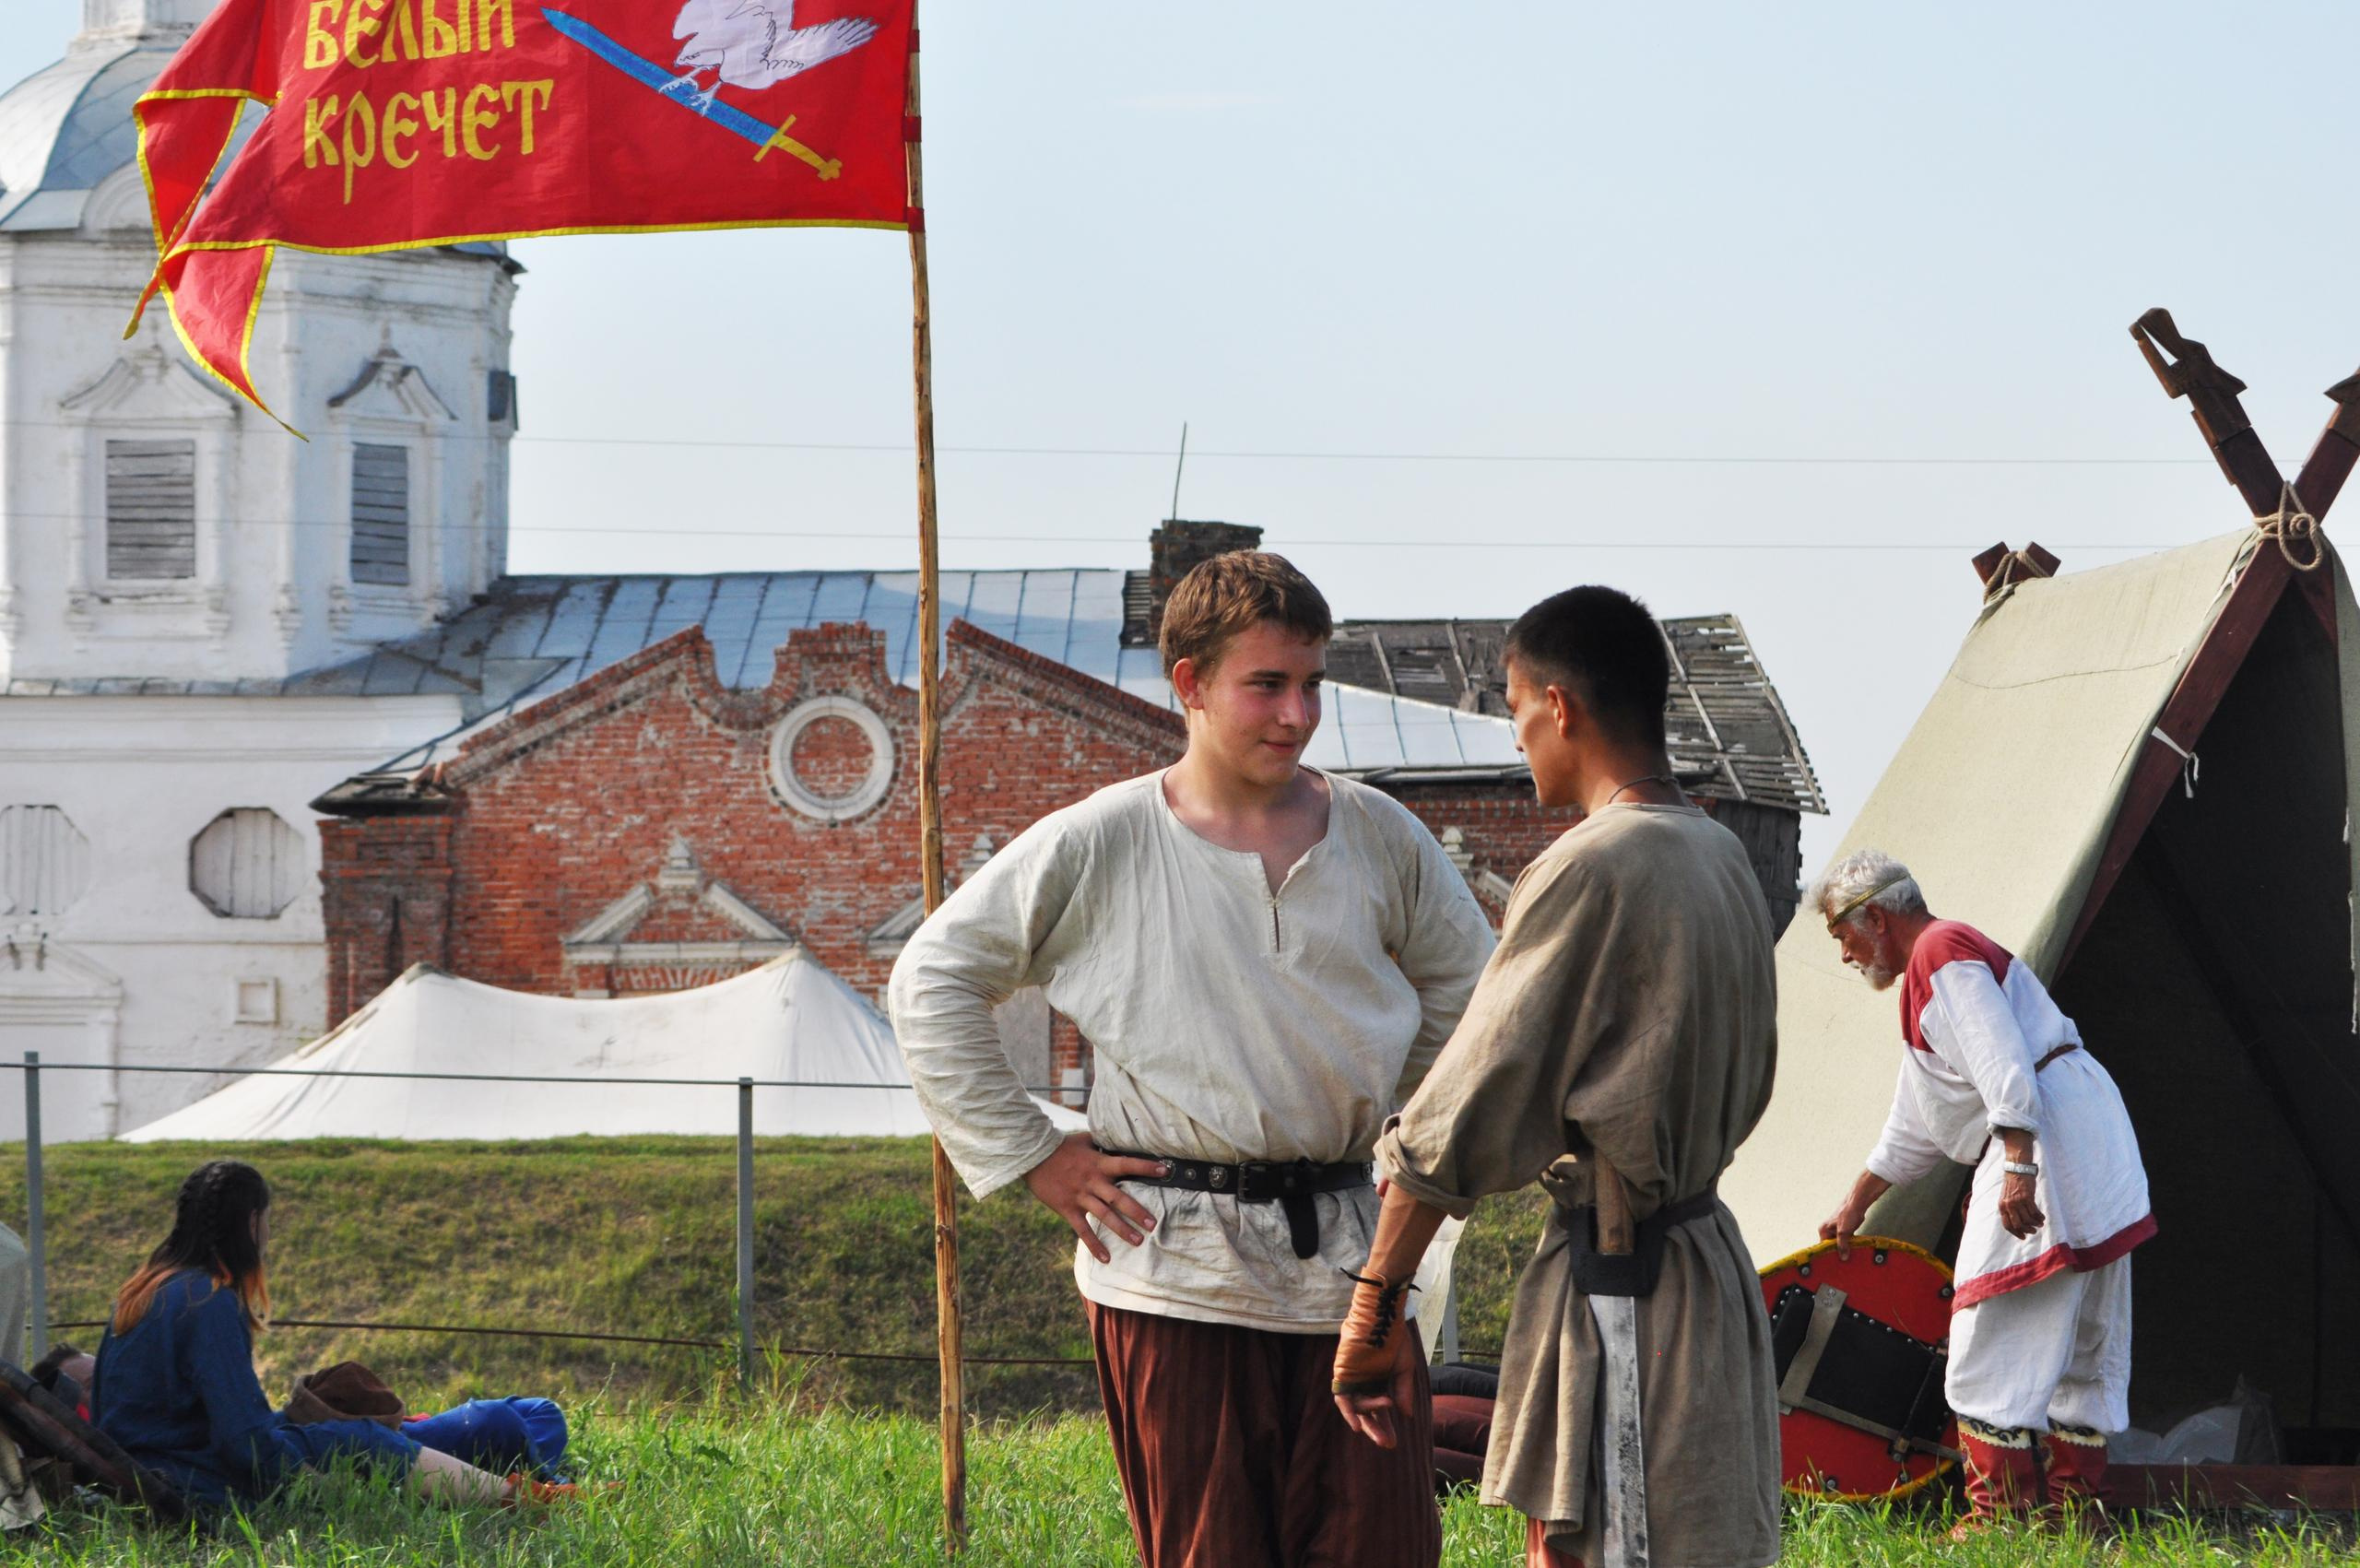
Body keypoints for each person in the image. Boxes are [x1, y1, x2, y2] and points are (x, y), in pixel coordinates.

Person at [891, 550, 1496, 1568]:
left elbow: (1476, 1001)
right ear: (1190, 685)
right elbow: (931, 981)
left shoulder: (1377, 835)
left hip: (1354, 1261)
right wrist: (1033, 1151)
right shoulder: (1104, 839)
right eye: (1266, 684)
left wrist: (1409, 1131)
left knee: (1382, 1550)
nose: (1297, 713)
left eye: (1310, 683)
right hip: (1176, 1270)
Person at [1330, 584, 1782, 1568]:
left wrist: (1375, 1303)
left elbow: (1470, 1106)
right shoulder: (1720, 853)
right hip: (1703, 1268)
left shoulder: (1593, 864)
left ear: (1560, 704)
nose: (1516, 729)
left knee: (1615, 1551)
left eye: (1514, 702)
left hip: (1631, 1280)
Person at [1811, 849, 2154, 1535]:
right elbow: (1916, 1123)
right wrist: (1857, 1200)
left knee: (1988, 1326)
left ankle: (2003, 1521)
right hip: (2077, 1127)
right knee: (2082, 1333)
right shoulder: (1929, 974)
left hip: (2045, 1130)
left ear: (1874, 916)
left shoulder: (1941, 952)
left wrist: (2021, 1161)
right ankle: (2073, 1520)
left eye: (1841, 936)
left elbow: (2001, 1059)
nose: (1846, 956)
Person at [92, 1160, 573, 1510]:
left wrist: (302, 1424)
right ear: (251, 1222)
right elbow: (248, 1447)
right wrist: (317, 1473)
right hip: (192, 1475)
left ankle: (516, 1486)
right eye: (267, 1222)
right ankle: (525, 1499)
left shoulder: (142, 1290)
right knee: (364, 1440)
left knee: (356, 1434)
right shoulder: (207, 1300)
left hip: (159, 1463)